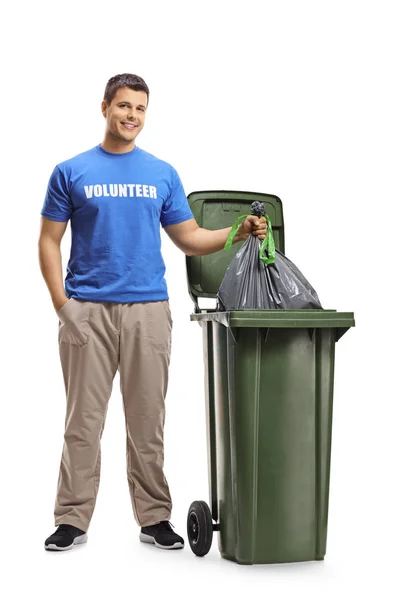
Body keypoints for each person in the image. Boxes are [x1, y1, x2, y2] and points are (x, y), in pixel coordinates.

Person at [38, 73, 267, 552]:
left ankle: (154, 518)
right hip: (89, 313)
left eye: (140, 109)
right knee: (83, 423)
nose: (131, 116)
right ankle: (72, 519)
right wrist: (64, 307)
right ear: (104, 107)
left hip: (148, 312)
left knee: (147, 422)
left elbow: (188, 238)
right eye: (123, 106)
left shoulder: (161, 173)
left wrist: (236, 234)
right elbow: (49, 240)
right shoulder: (71, 171)